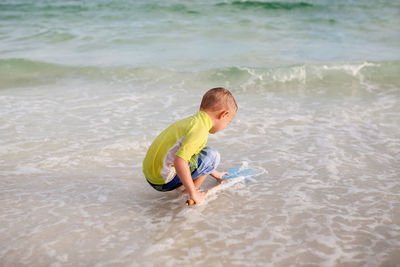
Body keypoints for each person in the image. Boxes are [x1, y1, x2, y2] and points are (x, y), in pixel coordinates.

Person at [143, 87, 237, 204]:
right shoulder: (200, 130)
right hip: (163, 181)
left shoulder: (191, 122)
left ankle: (187, 187)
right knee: (212, 155)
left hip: (152, 176)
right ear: (224, 114)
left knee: (203, 153)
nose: (225, 126)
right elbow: (180, 161)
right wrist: (193, 192)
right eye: (228, 122)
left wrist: (215, 173)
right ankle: (191, 192)